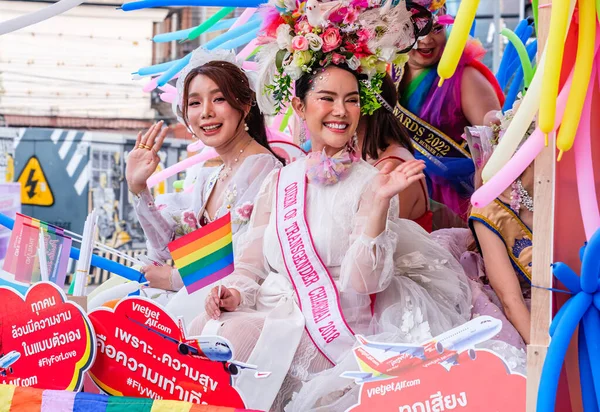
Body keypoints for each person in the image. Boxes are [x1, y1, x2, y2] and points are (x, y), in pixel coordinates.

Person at [188, 4, 472, 410]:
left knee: (229, 340)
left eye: (351, 100)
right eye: (327, 98)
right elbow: (252, 266)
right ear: (301, 107)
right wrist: (234, 293)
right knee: (204, 327)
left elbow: (364, 284)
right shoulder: (279, 180)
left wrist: (376, 205)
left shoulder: (373, 182)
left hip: (332, 330)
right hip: (275, 310)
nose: (341, 111)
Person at [124, 48, 283, 305]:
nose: (206, 112)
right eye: (195, 103)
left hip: (230, 305)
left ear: (244, 105)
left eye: (218, 99)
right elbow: (169, 248)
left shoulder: (262, 168)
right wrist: (138, 188)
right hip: (195, 297)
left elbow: (242, 257)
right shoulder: (210, 175)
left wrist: (173, 278)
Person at [394, 0, 504, 222]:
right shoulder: (389, 71)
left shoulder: (466, 78)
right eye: (417, 29)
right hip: (399, 194)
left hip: (454, 204)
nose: (426, 39)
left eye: (436, 28)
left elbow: (497, 146)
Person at [356, 73, 432, 232]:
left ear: (365, 105)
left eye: (348, 99)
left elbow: (378, 245)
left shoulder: (391, 166)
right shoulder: (358, 152)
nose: (337, 110)